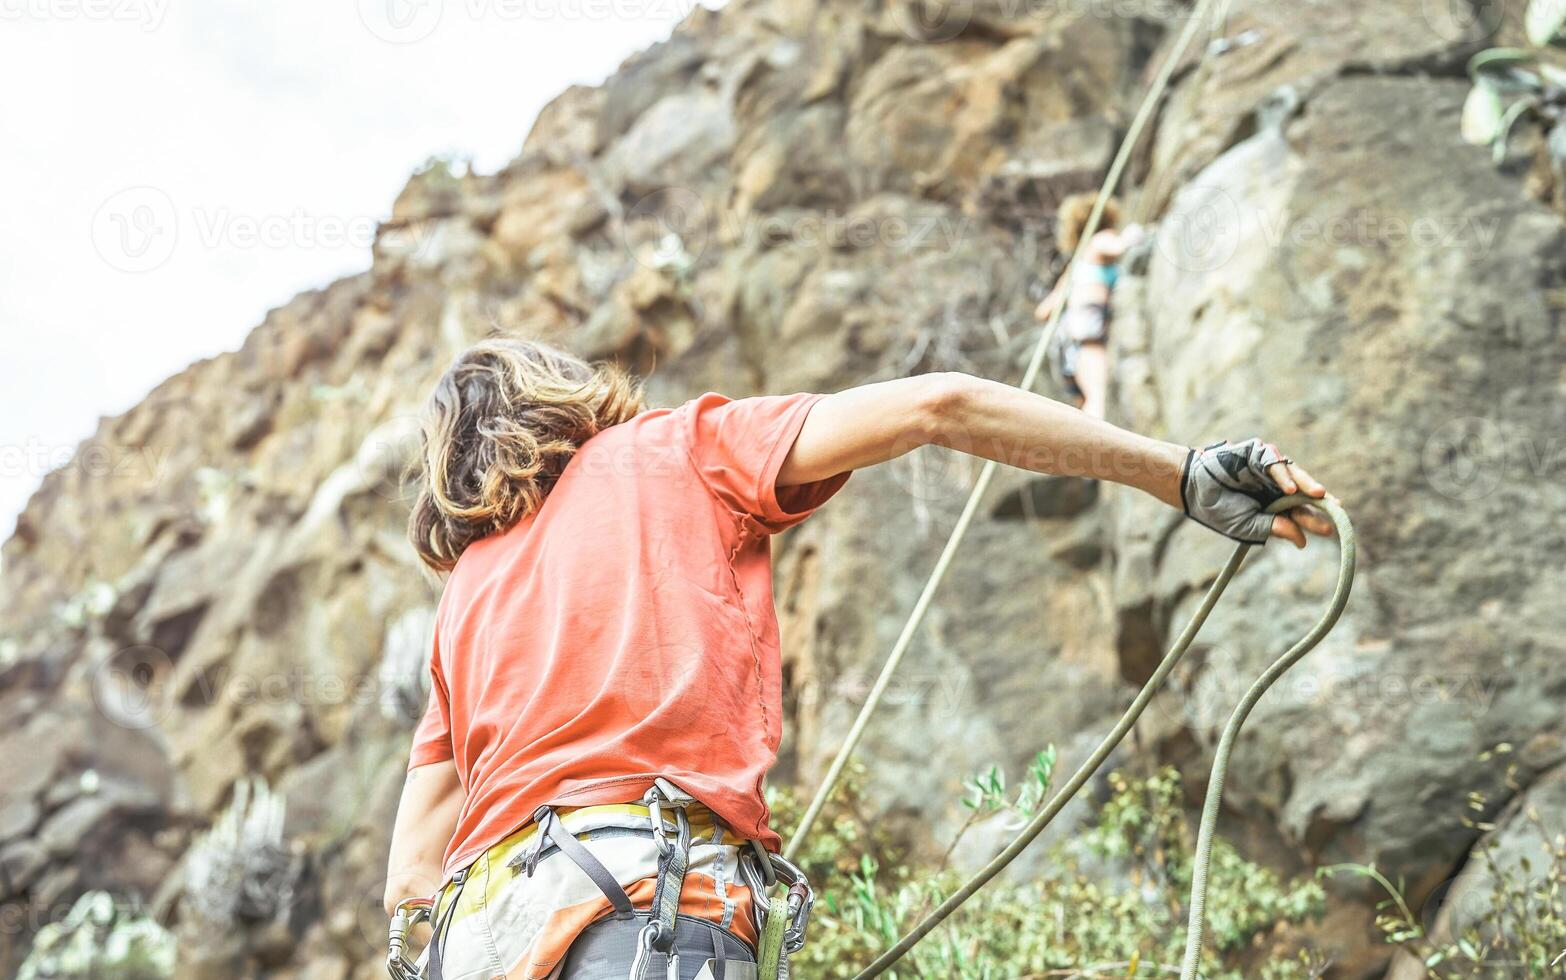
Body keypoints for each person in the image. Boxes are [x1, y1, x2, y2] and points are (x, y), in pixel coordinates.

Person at [383, 338, 1331, 979]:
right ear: (564, 392)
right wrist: (1176, 471)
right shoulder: (675, 448)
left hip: (485, 941)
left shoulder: (467, 594)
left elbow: (410, 881)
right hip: (644, 908)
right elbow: (940, 404)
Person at [1035, 193, 1145, 420]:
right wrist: (1134, 233)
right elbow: (1120, 246)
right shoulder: (1100, 240)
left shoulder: (1077, 263)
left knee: (1087, 402)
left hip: (1070, 335)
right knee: (1098, 398)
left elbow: (1044, 310)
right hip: (1090, 324)